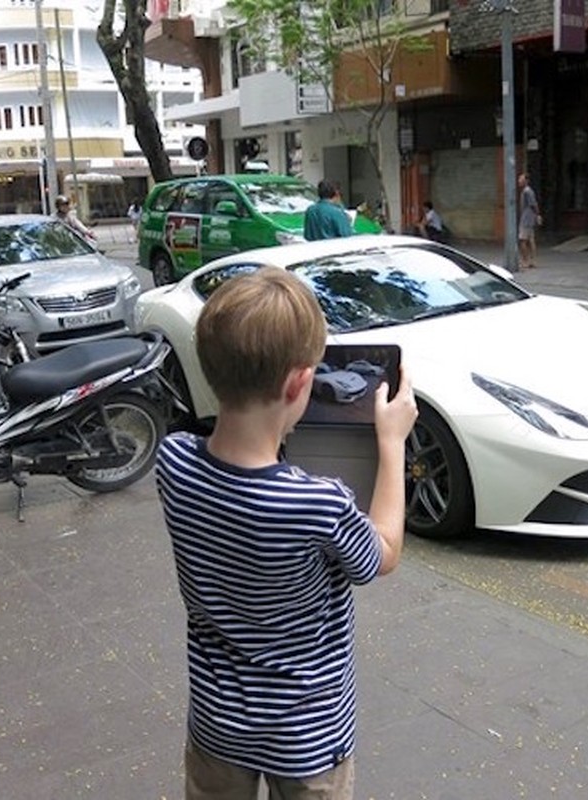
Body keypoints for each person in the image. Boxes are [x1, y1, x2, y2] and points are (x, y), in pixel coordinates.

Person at [155, 267, 418, 800]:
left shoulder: (173, 461)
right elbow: (382, 555)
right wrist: (391, 443)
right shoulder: (319, 503)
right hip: (307, 737)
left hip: (217, 722)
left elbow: (236, 487)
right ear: (300, 383)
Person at [517, 172, 542, 269]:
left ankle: (526, 261)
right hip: (529, 218)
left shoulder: (527, 191)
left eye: (521, 179)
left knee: (523, 240)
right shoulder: (526, 191)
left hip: (526, 219)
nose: (519, 181)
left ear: (526, 181)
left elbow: (533, 204)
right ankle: (533, 261)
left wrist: (538, 214)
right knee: (531, 240)